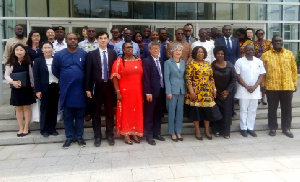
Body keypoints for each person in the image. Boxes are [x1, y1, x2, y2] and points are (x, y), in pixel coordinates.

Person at [52, 33, 87, 149]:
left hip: (80, 89)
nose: (73, 40)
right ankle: (69, 137)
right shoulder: (59, 55)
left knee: (80, 115)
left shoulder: (83, 53)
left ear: (78, 40)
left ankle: (79, 137)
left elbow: (87, 70)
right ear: (66, 40)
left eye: (75, 39)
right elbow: (55, 70)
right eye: (70, 39)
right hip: (66, 89)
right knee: (68, 115)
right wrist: (65, 78)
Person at [261, 35, 298, 138]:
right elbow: (262, 73)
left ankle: (286, 128)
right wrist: (263, 86)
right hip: (271, 87)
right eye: (276, 41)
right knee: (272, 108)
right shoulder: (265, 55)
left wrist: (294, 84)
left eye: (280, 41)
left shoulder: (289, 54)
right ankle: (272, 128)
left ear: (282, 42)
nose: (278, 42)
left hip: (287, 86)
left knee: (287, 109)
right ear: (272, 43)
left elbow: (294, 70)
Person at [86, 31, 117, 147]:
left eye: (105, 38)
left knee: (109, 112)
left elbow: (115, 71)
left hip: (109, 86)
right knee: (96, 113)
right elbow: (88, 72)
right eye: (101, 38)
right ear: (97, 40)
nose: (103, 40)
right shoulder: (91, 54)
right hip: (97, 86)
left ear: (108, 40)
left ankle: (109, 134)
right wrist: (88, 89)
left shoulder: (113, 53)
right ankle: (97, 136)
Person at [185, 46, 222, 140]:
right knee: (196, 112)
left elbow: (211, 78)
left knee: (208, 112)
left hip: (207, 91)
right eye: (198, 52)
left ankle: (207, 130)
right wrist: (191, 92)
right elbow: (188, 79)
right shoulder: (191, 64)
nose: (200, 54)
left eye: (202, 52)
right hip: (196, 92)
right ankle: (197, 130)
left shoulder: (208, 64)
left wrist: (214, 90)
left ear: (204, 53)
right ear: (194, 54)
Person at [111, 42, 143, 145]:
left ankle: (135, 132)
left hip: (137, 91)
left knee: (136, 112)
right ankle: (126, 133)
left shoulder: (139, 60)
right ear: (123, 49)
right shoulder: (119, 62)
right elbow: (115, 78)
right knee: (126, 112)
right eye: (127, 47)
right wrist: (118, 92)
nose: (130, 49)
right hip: (124, 92)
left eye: (131, 47)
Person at [235, 45, 265, 137]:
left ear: (254, 51)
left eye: (252, 49)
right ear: (244, 51)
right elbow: (237, 76)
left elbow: (261, 75)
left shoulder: (259, 61)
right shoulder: (239, 61)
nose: (250, 51)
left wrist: (255, 86)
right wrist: (247, 86)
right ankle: (243, 128)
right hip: (244, 89)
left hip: (255, 90)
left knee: (252, 110)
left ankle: (250, 128)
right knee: (243, 109)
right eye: (248, 50)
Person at [5, 44, 35, 137]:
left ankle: (26, 127)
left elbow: (32, 76)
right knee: (18, 108)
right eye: (17, 50)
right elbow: (6, 75)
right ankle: (20, 127)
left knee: (26, 107)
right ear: (14, 52)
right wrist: (12, 82)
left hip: (27, 88)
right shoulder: (10, 63)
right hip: (16, 88)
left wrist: (34, 87)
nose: (19, 52)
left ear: (25, 51)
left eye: (21, 50)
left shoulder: (29, 62)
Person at [33, 41, 59, 137]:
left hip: (55, 87)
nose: (47, 50)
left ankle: (52, 128)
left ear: (52, 49)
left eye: (49, 47)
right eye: (45, 48)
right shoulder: (38, 61)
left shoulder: (56, 60)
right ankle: (44, 129)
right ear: (42, 49)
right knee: (44, 108)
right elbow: (36, 77)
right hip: (44, 88)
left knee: (54, 108)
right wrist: (37, 90)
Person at [143, 41, 166, 145]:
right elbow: (146, 78)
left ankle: (157, 133)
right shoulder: (146, 61)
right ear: (149, 50)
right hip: (151, 92)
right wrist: (147, 92)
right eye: (154, 48)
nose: (156, 50)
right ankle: (149, 135)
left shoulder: (161, 61)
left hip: (161, 91)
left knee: (158, 113)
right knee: (149, 114)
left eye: (157, 48)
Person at [211, 46, 237, 139]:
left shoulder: (230, 65)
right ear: (215, 55)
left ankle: (226, 132)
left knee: (227, 113)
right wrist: (214, 90)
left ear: (224, 54)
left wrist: (227, 91)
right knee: (216, 112)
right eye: (218, 53)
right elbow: (210, 78)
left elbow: (234, 79)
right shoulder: (212, 65)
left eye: (222, 53)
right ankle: (216, 130)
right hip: (215, 93)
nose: (220, 55)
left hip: (227, 93)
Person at [164, 43, 186, 142]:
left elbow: (184, 77)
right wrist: (168, 91)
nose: (178, 52)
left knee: (180, 112)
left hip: (181, 90)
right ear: (172, 52)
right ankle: (172, 132)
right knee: (172, 112)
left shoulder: (183, 62)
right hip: (172, 91)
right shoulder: (168, 63)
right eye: (176, 50)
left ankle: (178, 131)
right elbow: (166, 78)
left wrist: (185, 90)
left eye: (180, 50)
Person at [78, 27, 99, 122]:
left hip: (96, 71)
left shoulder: (99, 43)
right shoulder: (81, 44)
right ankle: (87, 113)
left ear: (95, 33)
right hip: (84, 70)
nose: (91, 33)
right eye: (89, 31)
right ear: (86, 33)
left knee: (95, 94)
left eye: (93, 31)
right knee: (86, 91)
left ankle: (94, 112)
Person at [254, 29, 272, 105]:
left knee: (264, 80)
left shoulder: (268, 42)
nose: (260, 35)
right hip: (256, 63)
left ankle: (263, 97)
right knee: (257, 80)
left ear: (264, 34)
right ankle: (258, 97)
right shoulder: (253, 43)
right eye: (258, 34)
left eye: (261, 33)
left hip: (266, 63)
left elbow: (271, 53)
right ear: (256, 35)